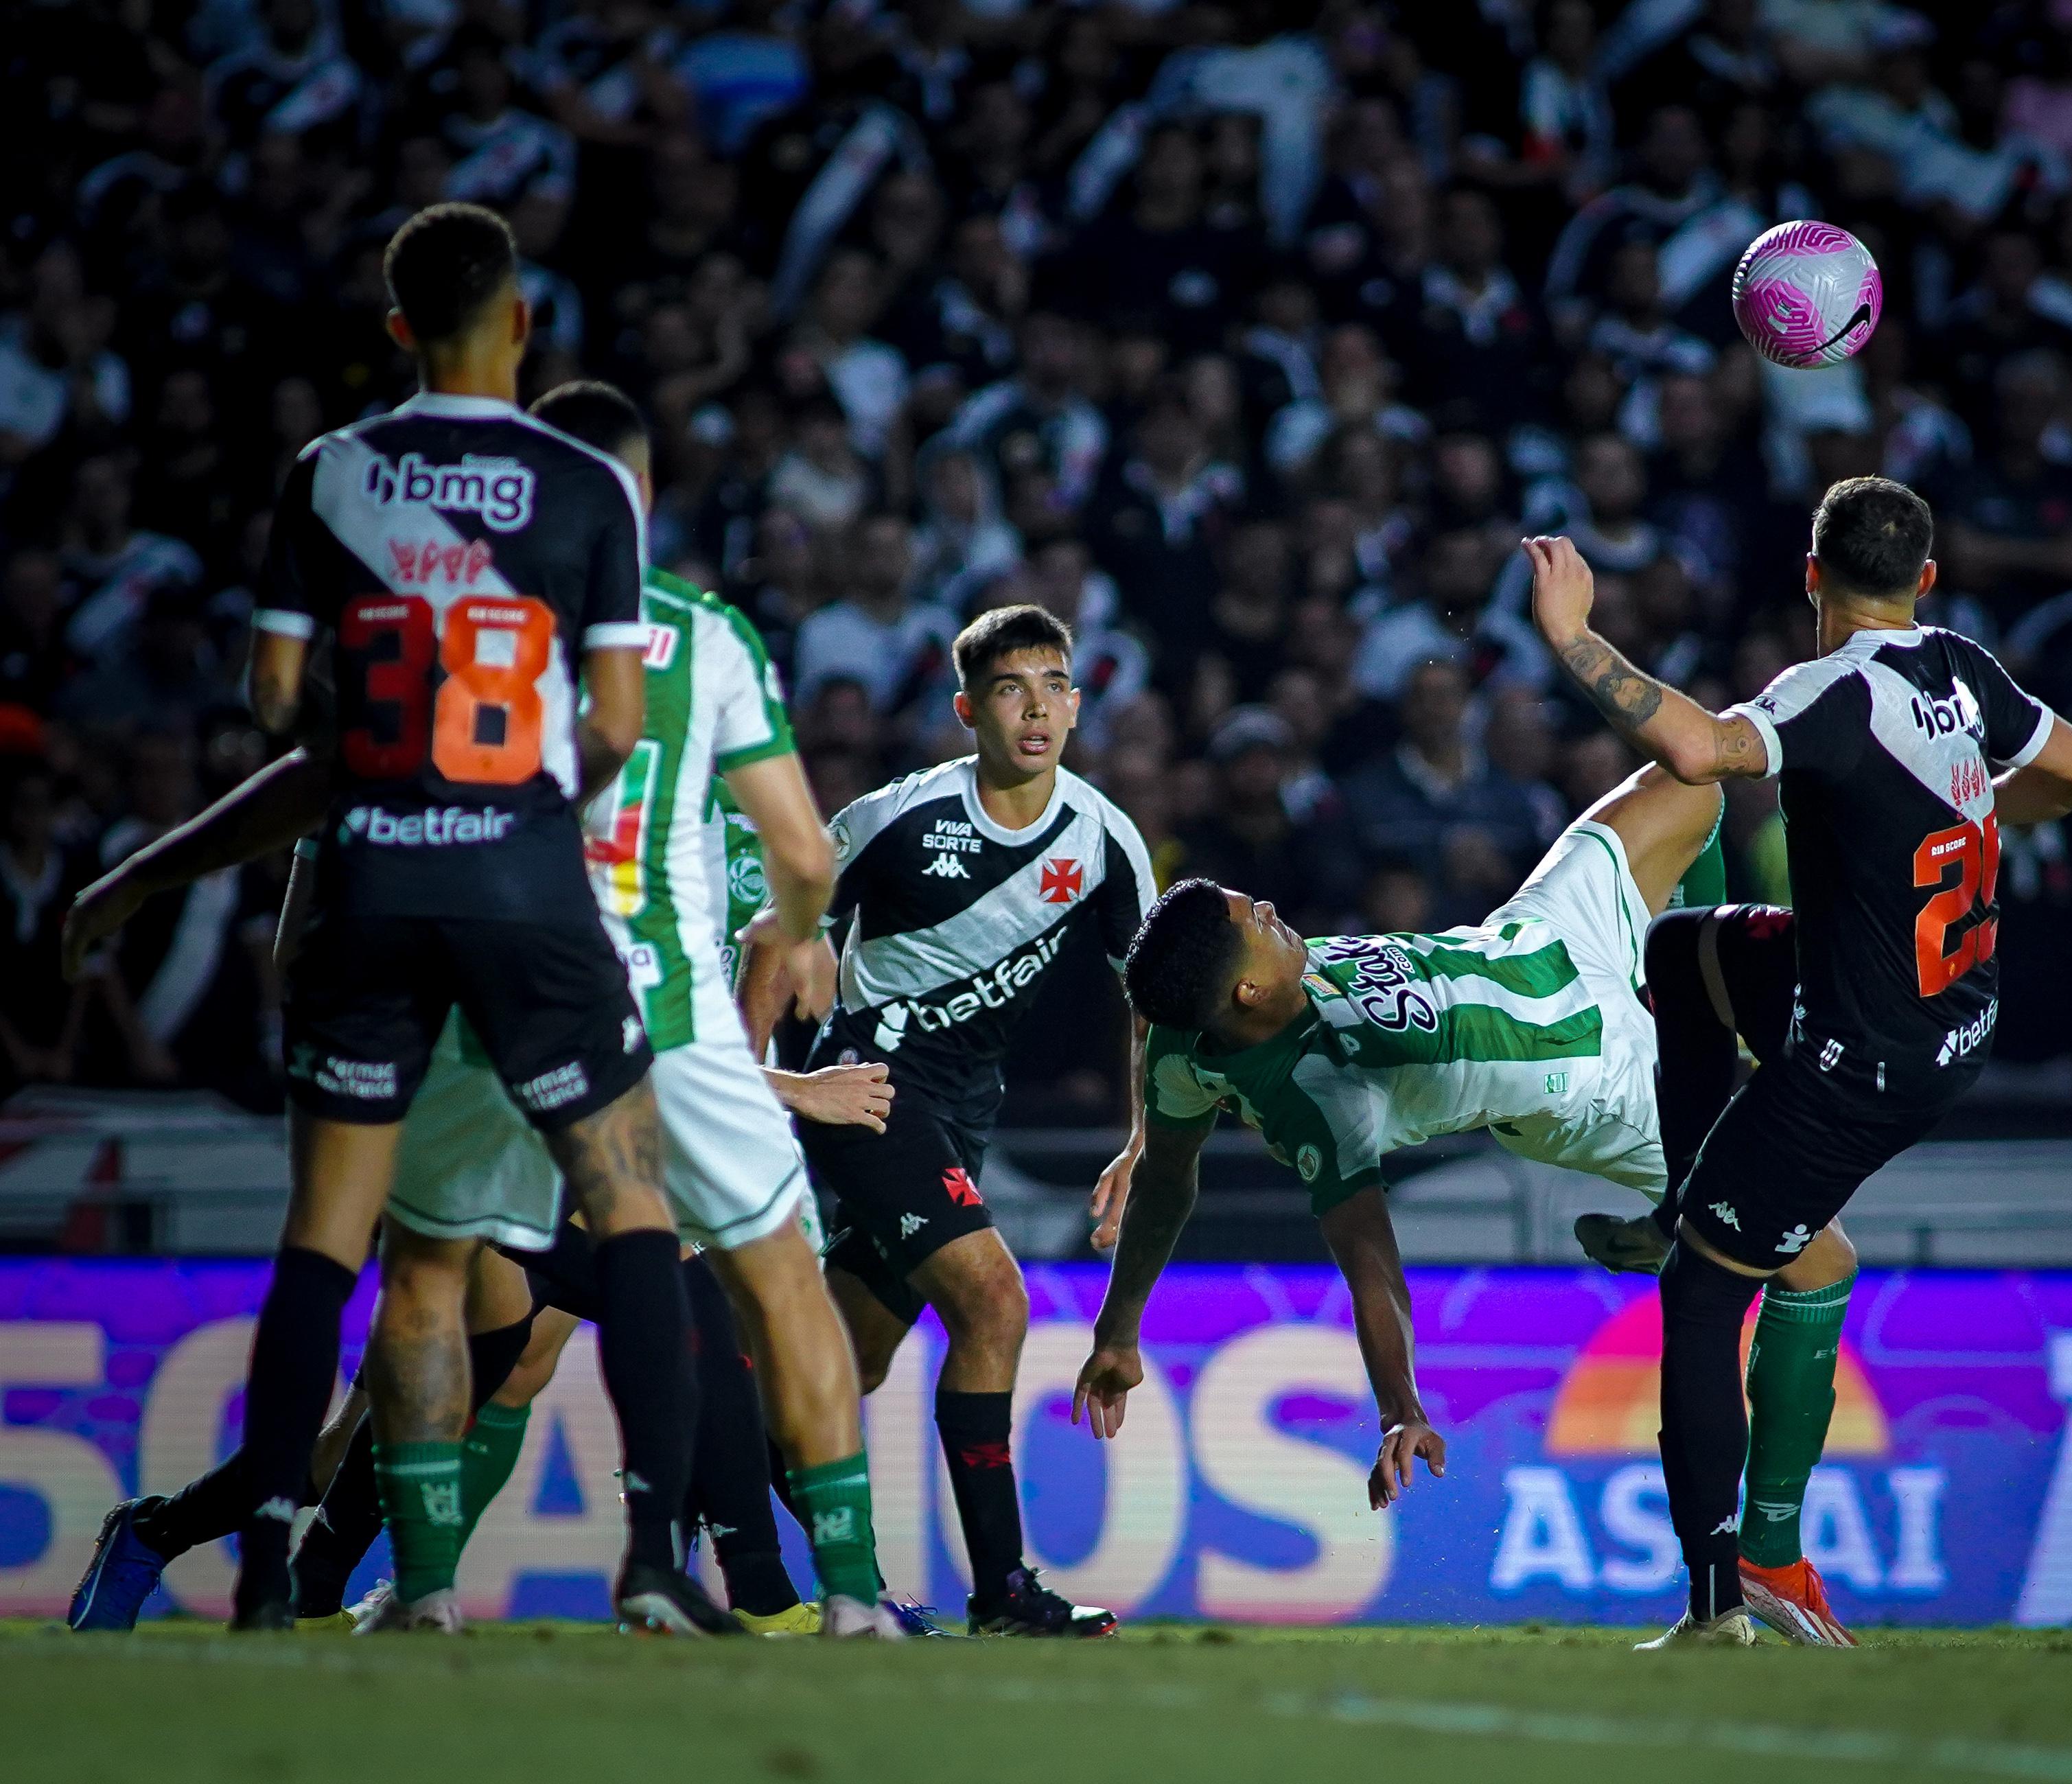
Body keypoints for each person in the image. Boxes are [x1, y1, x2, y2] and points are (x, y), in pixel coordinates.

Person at [63, 371, 909, 1636]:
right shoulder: (540, 643)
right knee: (504, 1349)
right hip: (484, 1042)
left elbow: (762, 876)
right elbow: (319, 855)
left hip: (571, 1052)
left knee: (540, 1335)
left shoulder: (543, 646)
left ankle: (456, 1586)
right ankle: (223, 1541)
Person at [224, 202, 708, 1634]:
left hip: (374, 878)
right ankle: (652, 1559)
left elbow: (269, 705)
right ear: (522, 323)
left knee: (337, 1242)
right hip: (525, 892)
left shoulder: (331, 472)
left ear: (394, 330)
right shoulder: (584, 488)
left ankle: (267, 1569)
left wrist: (393, 761)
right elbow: (615, 723)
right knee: (631, 1216)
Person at [1524, 478, 2072, 1647]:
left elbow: (1695, 750)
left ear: (1809, 574)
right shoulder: (1956, 664)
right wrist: (1984, 816)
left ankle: (1718, 1602)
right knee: (1682, 952)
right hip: (1940, 1006)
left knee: (1699, 1294)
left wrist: (1570, 635)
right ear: (1924, 579)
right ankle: (1678, 1198)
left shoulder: (1826, 689)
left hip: (1864, 1052)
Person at [1078, 762, 1723, 1520]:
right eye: (1255, 918)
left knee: (1695, 779)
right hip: (1592, 1077)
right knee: (1806, 1240)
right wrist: (1398, 1408)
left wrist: (1116, 1324)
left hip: (1535, 934)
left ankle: (1701, 1028)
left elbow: (1157, 1154)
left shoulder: (1200, 1026)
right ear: (1247, 993)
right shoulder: (1321, 1096)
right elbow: (1368, 1262)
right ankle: (1683, 1219)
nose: (1271, 909)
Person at [753, 601, 1149, 1637]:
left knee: (853, 1356)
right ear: (969, 708)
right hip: (866, 1088)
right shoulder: (896, 818)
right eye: (1012, 689)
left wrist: (1144, 1133)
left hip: (963, 1107)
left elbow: (1146, 1000)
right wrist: (766, 1047)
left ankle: (717, 1465)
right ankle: (1003, 1587)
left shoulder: (1106, 840)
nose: (1038, 708)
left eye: (1055, 686)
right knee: (992, 1301)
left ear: (1074, 703)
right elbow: (780, 922)